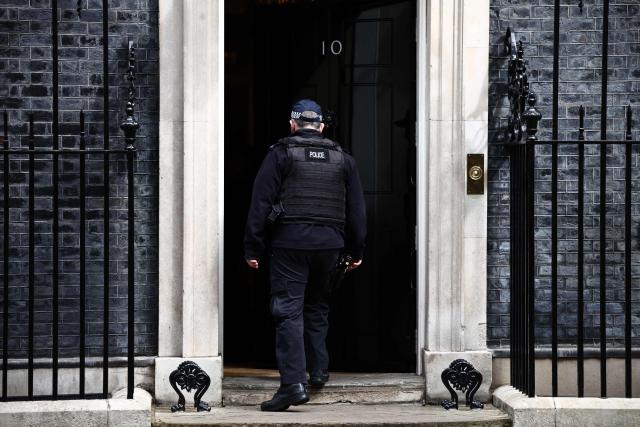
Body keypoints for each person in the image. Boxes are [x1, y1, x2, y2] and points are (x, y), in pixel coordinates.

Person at [244, 99, 367, 412]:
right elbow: (356, 211)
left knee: (288, 310)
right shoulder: (343, 159)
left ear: (293, 124)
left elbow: (260, 203)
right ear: (322, 126)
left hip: (290, 244)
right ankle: (319, 370)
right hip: (330, 246)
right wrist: (356, 250)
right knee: (317, 304)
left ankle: (292, 385)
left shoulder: (281, 153)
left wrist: (253, 247)